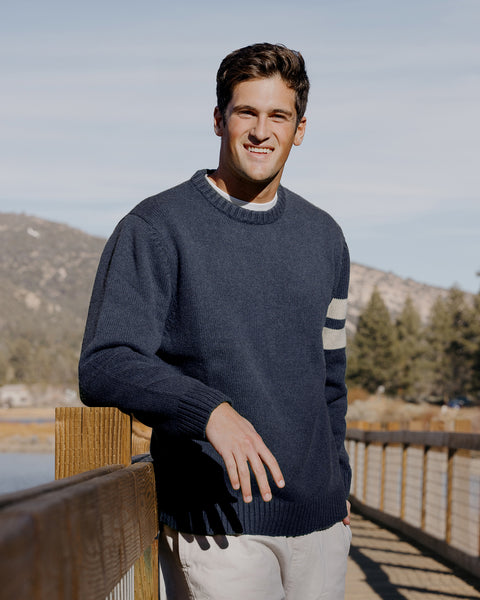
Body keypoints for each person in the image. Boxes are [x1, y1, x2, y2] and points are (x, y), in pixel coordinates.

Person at [79, 42, 352, 600]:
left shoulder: (326, 237)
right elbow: (105, 362)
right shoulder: (156, 227)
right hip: (219, 529)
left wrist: (339, 484)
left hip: (322, 525)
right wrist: (209, 411)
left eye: (279, 115)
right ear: (218, 119)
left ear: (299, 129)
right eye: (246, 112)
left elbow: (330, 378)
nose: (261, 130)